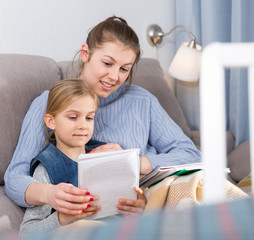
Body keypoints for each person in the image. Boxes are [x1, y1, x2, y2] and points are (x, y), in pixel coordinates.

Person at [4, 16, 201, 216]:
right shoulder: (48, 104)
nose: (115, 77)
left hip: (144, 207)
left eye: (124, 69)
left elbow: (191, 155)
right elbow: (14, 178)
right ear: (85, 53)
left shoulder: (142, 101)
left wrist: (132, 163)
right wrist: (50, 194)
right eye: (107, 63)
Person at [20, 79, 146, 236]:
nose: (83, 125)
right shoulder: (46, 168)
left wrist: (137, 208)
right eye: (73, 117)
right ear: (51, 121)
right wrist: (61, 218)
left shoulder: (105, 154)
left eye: (89, 118)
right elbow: (26, 233)